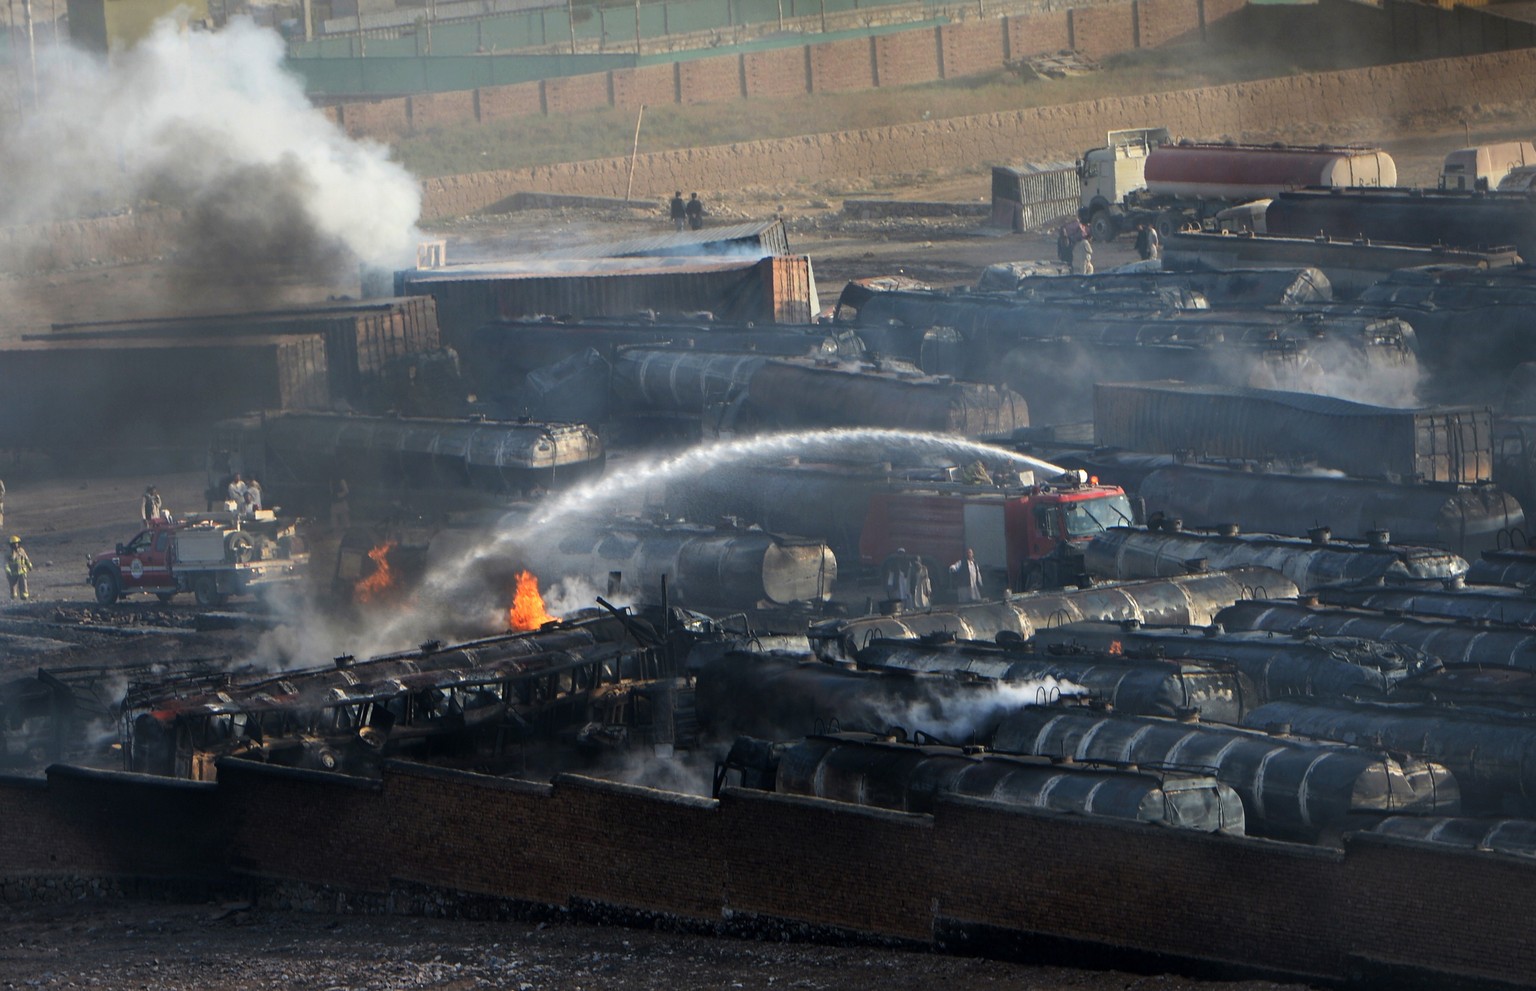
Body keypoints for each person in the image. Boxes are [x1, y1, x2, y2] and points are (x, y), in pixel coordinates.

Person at [6, 535, 31, 601]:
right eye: (14, 544)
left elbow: (26, 558)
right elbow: (6, 562)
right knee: (13, 585)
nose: (15, 545)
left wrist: (29, 565)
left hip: (22, 571)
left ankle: (24, 595)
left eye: (17, 543)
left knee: (23, 584)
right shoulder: (8, 553)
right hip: (13, 572)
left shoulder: (22, 551)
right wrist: (7, 569)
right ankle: (13, 596)